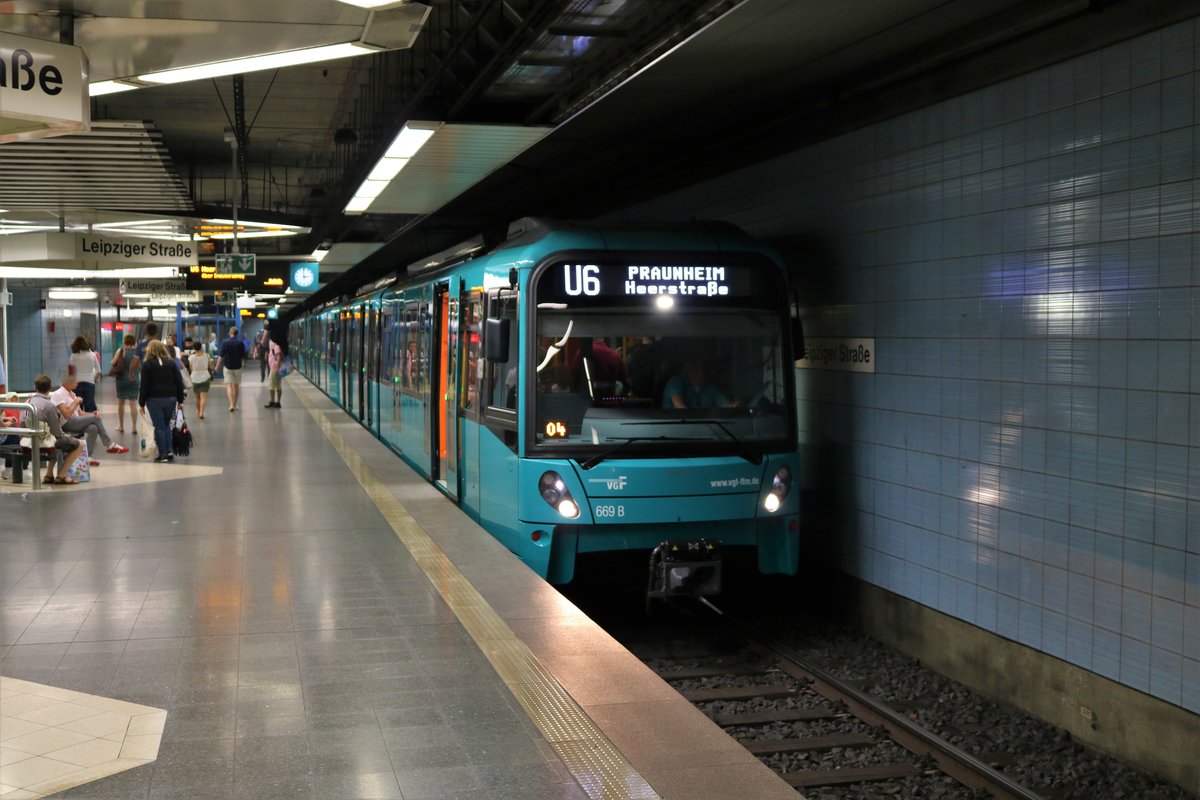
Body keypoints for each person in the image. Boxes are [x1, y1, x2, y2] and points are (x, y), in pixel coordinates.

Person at [51, 374, 129, 464]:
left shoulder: (72, 394)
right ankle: (109, 444)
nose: (77, 383)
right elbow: (67, 415)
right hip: (65, 423)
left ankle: (87, 456)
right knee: (95, 418)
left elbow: (80, 413)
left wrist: (92, 413)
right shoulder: (59, 394)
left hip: (75, 420)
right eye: (74, 381)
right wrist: (76, 402)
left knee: (93, 428)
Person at [29, 374, 86, 485]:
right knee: (79, 444)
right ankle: (61, 476)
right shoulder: (49, 406)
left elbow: (22, 423)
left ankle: (49, 474)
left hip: (28, 440)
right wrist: (66, 436)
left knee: (55, 442)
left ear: (35, 388)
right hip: (44, 441)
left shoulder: (28, 403)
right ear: (49, 388)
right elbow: (56, 433)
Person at [138, 340, 185, 463]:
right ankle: (169, 451)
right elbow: (179, 382)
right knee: (166, 425)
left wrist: (141, 403)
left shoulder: (147, 365)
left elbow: (144, 386)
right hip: (171, 399)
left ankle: (162, 453)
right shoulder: (171, 363)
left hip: (154, 400)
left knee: (158, 426)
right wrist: (180, 400)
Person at [662, 356, 738, 409]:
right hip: (675, 427)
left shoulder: (710, 388)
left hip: (707, 428)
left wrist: (735, 405)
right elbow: (679, 406)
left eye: (704, 368)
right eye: (696, 368)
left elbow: (726, 405)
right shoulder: (676, 381)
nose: (701, 372)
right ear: (688, 368)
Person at [213, 326, 247, 412]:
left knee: (229, 385)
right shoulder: (240, 343)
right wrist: (242, 364)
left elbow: (221, 355)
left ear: (229, 333)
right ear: (236, 334)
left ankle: (231, 404)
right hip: (237, 366)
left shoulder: (225, 342)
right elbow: (243, 356)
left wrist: (216, 366)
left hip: (228, 366)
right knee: (236, 386)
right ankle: (235, 404)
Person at [112, 334, 140, 435]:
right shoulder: (137, 352)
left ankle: (121, 426)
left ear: (125, 342)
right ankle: (133, 427)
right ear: (133, 342)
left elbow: (113, 362)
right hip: (134, 379)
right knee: (133, 403)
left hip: (121, 380)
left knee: (121, 403)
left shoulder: (121, 351)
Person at [67, 336, 102, 413]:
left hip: (77, 384)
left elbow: (70, 372)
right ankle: (88, 422)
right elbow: (98, 370)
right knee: (89, 406)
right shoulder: (93, 355)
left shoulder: (74, 356)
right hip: (90, 383)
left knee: (78, 407)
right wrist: (93, 378)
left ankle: (80, 423)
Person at [187, 340, 213, 419]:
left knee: (197, 397)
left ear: (194, 348)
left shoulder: (191, 357)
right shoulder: (206, 355)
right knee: (203, 397)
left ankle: (198, 412)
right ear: (201, 347)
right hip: (205, 376)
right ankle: (202, 412)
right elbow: (210, 365)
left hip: (195, 377)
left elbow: (191, 367)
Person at [264, 337, 283, 408]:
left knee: (271, 385)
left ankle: (272, 401)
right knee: (278, 385)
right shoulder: (272, 348)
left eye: (270, 342)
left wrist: (277, 368)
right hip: (275, 368)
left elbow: (278, 357)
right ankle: (278, 402)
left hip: (274, 368)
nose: (269, 343)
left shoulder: (276, 347)